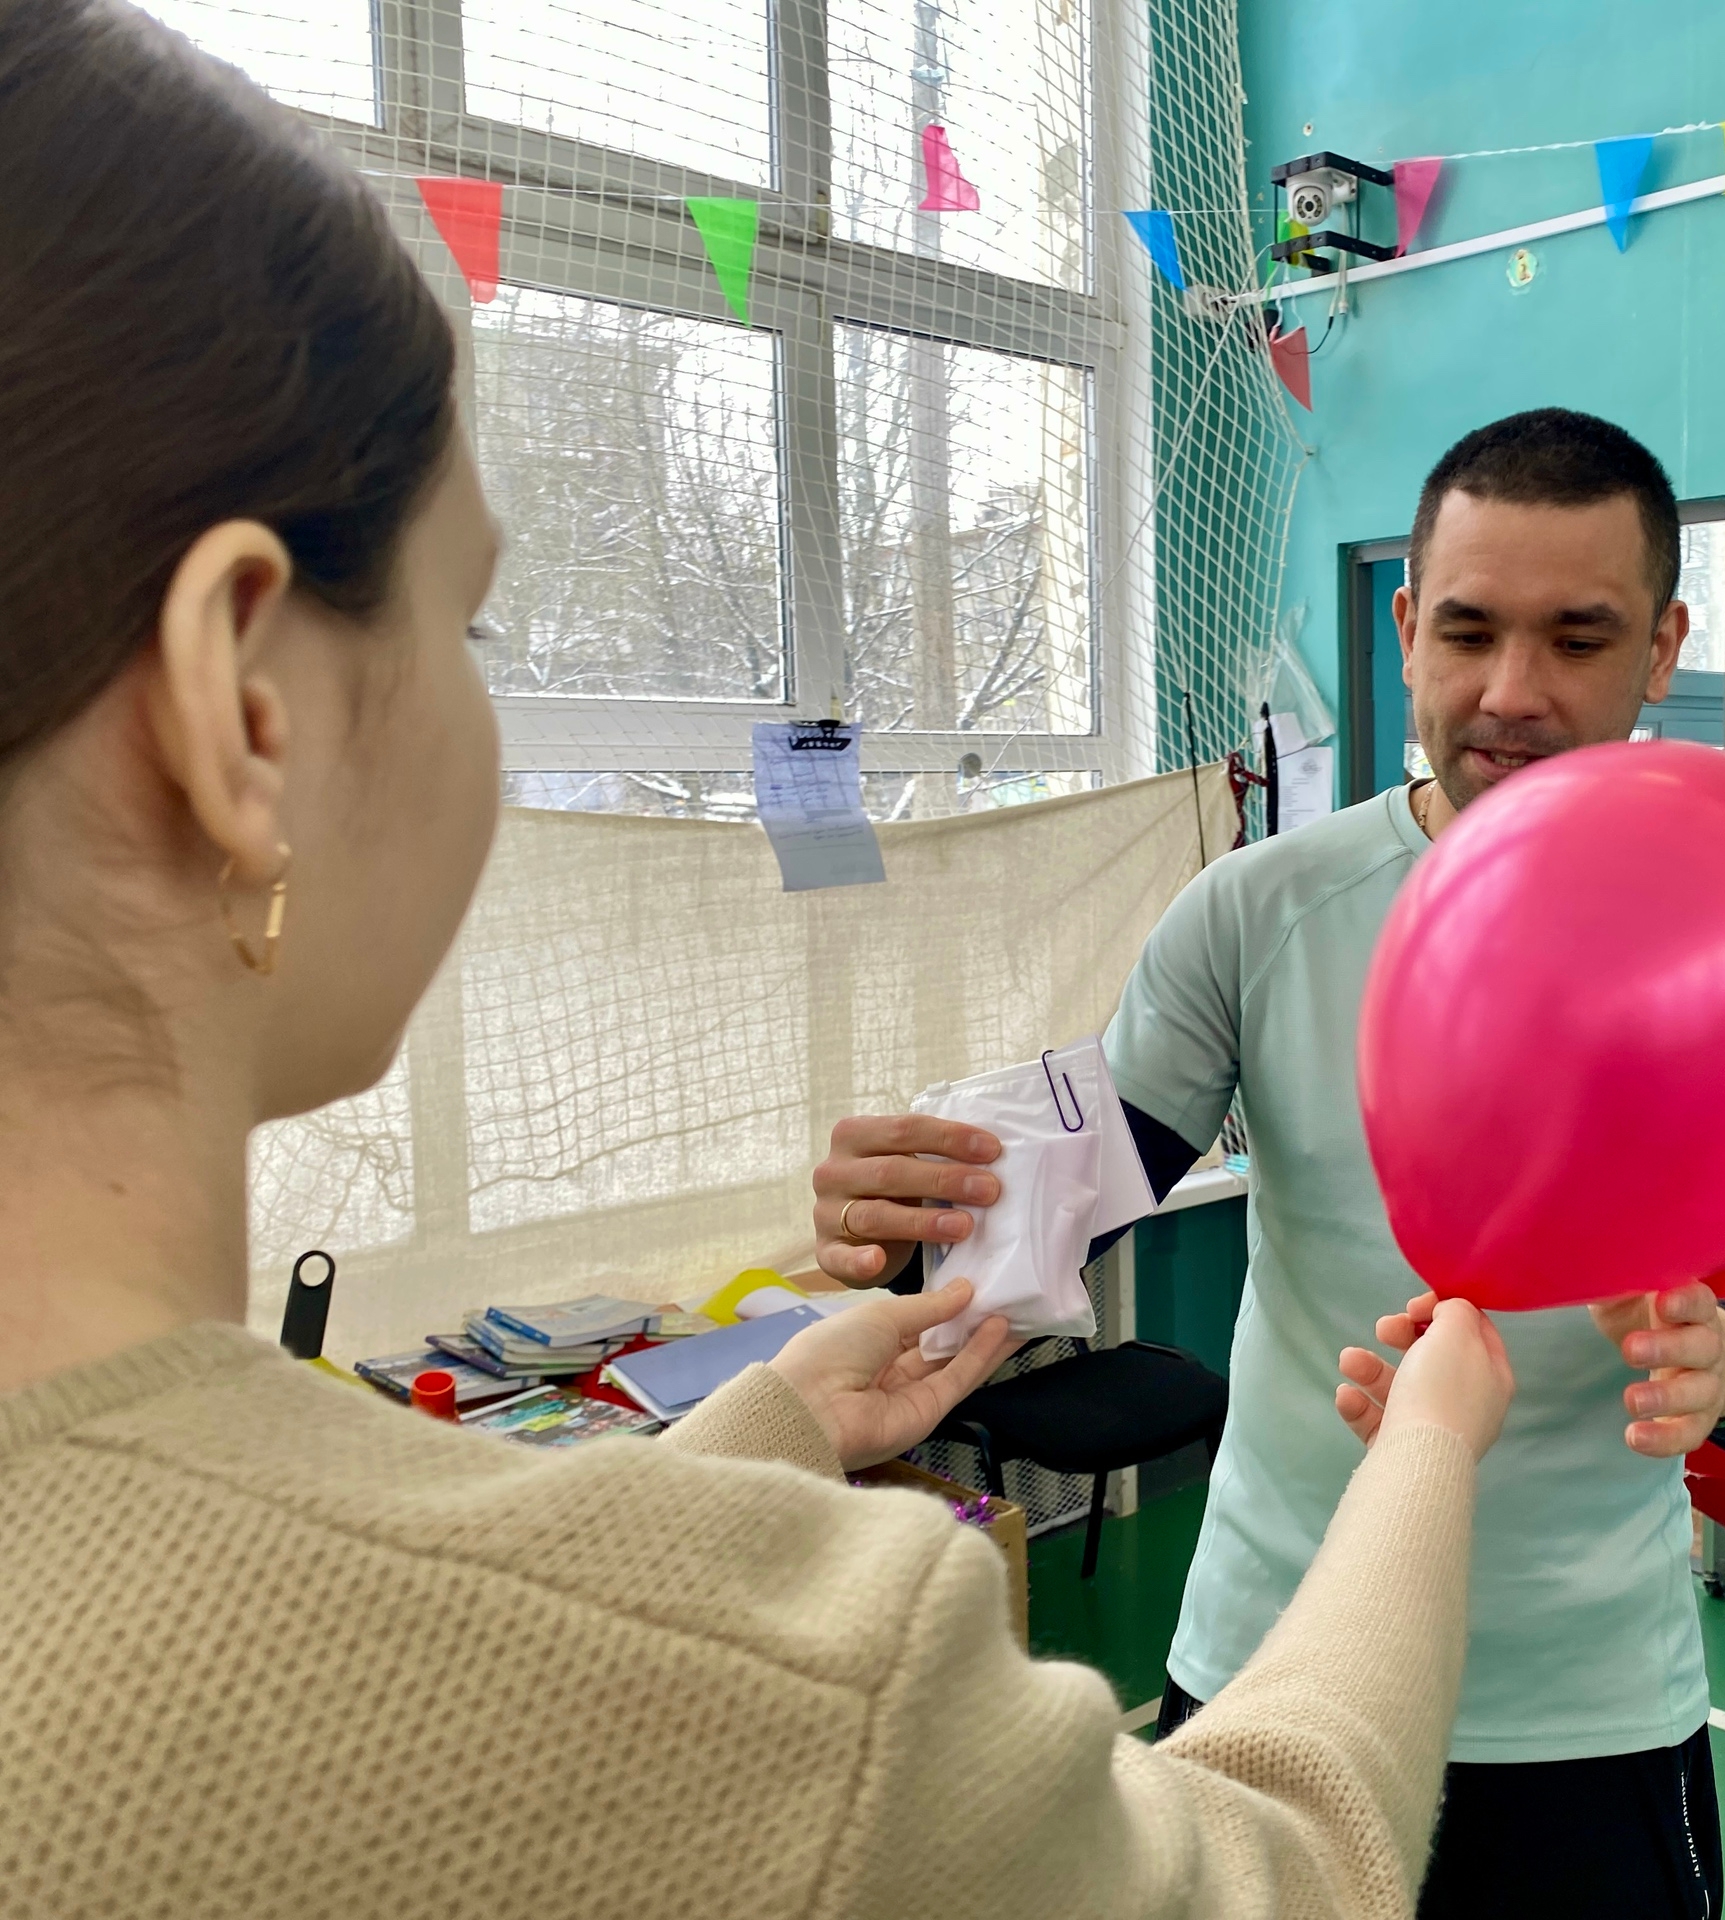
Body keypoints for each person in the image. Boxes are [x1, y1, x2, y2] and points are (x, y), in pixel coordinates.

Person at [0, 6, 1518, 1916]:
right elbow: (1284, 1874)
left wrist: (761, 1434)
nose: (1512, 692)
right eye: (466, 629)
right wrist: (1433, 1446)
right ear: (245, 709)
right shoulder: (1267, 907)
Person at [816, 408, 1725, 1918]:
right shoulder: (1258, 911)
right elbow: (1066, 1199)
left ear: (1664, 645)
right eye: (1468, 630)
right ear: (1404, 629)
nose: (1509, 692)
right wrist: (918, 1226)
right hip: (1274, 1661)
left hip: (1580, 1705)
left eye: (1579, 638)